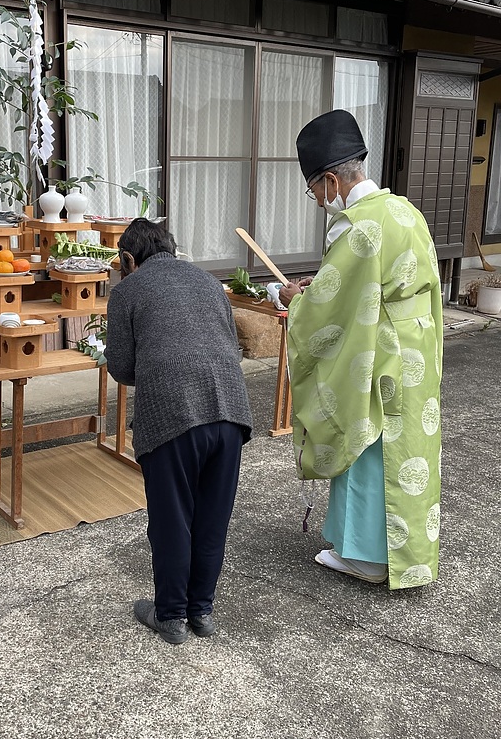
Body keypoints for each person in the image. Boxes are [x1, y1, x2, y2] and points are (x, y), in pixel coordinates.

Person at [278, 109, 443, 590]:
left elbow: (332, 310)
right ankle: (408, 553)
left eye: (314, 189)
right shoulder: (405, 211)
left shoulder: (358, 227)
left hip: (379, 353)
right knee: (410, 449)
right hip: (418, 347)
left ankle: (367, 558)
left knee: (366, 439)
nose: (317, 200)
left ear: (331, 180)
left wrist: (293, 300)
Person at [105, 219, 252, 644]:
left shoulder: (127, 291)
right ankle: (201, 611)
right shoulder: (208, 282)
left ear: (128, 259)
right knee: (212, 518)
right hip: (230, 410)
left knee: (172, 519)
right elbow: (229, 344)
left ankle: (170, 616)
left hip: (171, 414)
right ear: (171, 248)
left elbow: (121, 367)